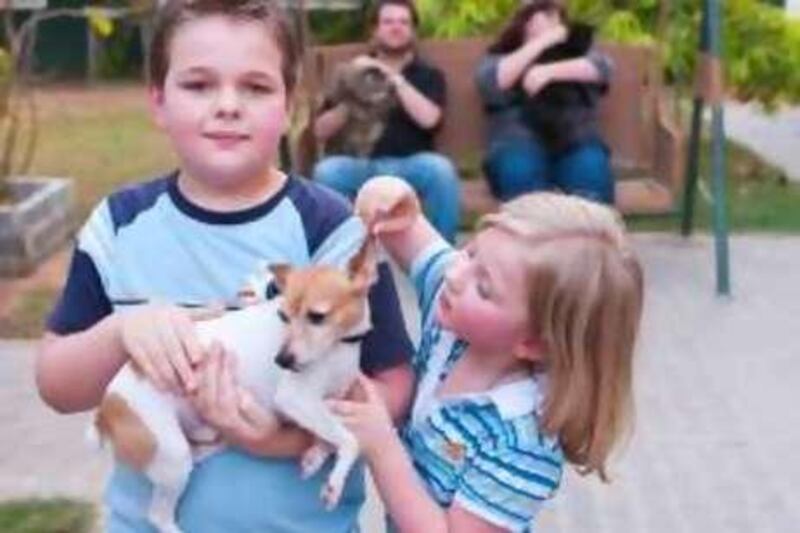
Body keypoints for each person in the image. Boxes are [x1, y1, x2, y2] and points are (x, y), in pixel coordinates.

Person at [35, 1, 414, 531]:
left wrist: (282, 439)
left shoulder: (330, 228)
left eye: (256, 87)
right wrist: (122, 331)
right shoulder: (119, 224)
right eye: (198, 84)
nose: (228, 105)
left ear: (289, 107)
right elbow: (56, 385)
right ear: (158, 102)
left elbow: (394, 387)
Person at [331, 176, 643, 531]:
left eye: (484, 287)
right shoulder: (456, 315)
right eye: (470, 251)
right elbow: (404, 225)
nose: (456, 274)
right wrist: (388, 193)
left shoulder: (522, 440)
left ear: (533, 344)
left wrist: (382, 446)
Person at [313, 0, 461, 243]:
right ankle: (341, 256)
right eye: (388, 22)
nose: (396, 28)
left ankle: (443, 258)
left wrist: (393, 78)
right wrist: (352, 98)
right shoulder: (351, 72)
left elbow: (430, 120)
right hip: (360, 165)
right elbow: (320, 131)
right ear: (375, 30)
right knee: (326, 171)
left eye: (404, 22)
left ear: (413, 31)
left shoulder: (428, 74)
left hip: (412, 165)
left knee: (441, 170)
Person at [476, 0, 615, 205]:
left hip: (574, 139)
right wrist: (541, 42)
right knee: (520, 170)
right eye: (534, 12)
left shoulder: (578, 49)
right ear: (521, 22)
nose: (542, 19)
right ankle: (530, 236)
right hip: (517, 141)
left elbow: (603, 68)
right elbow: (492, 82)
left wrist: (548, 72)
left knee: (591, 169)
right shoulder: (501, 54)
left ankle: (587, 236)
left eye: (550, 12)